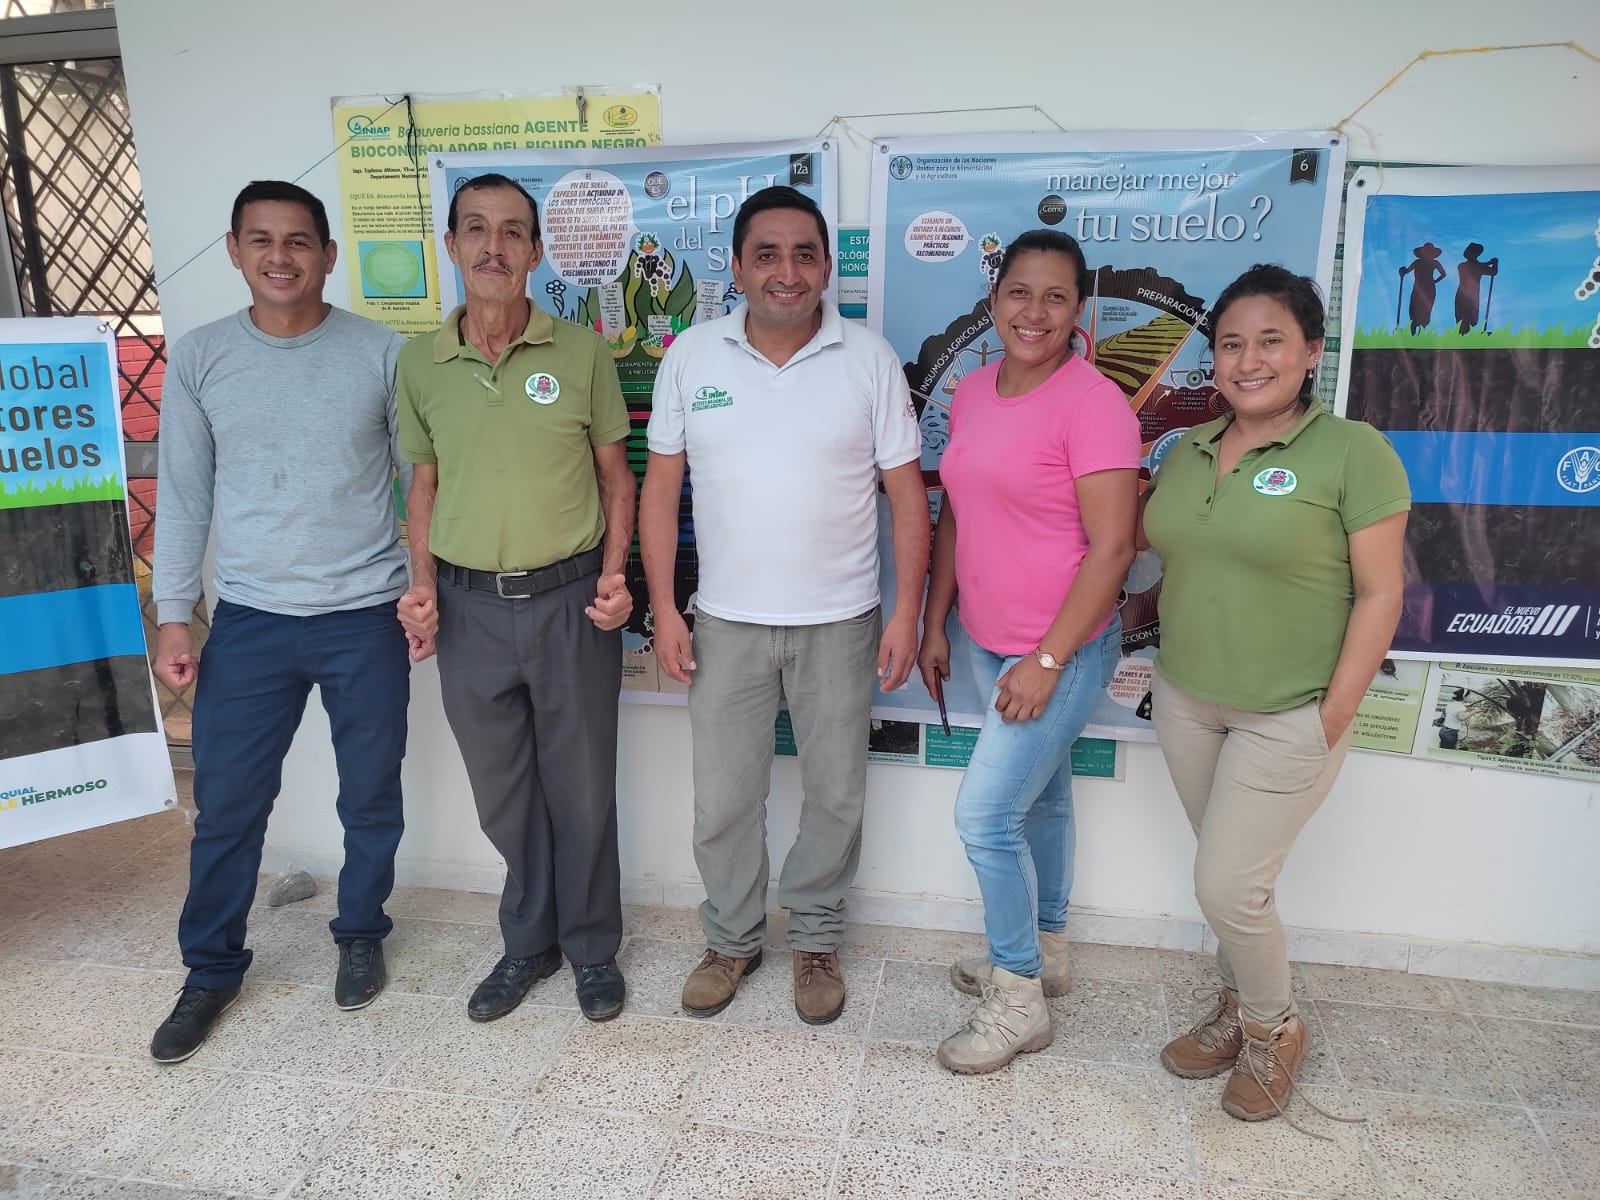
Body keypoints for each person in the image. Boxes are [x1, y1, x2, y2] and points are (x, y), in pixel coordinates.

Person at [639, 186, 927, 1026]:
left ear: (827, 267)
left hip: (840, 621)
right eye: (766, 254)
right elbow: (660, 491)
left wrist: (906, 612)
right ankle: (731, 940)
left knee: (835, 794)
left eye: (804, 254)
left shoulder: (869, 359)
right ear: (736, 267)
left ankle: (815, 938)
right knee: (724, 799)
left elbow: (908, 498)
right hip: (724, 622)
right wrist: (666, 608)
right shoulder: (692, 356)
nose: (786, 272)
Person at [148, 180, 411, 1062]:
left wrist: (422, 589)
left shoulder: (381, 353)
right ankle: (211, 969)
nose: (280, 257)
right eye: (261, 239)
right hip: (252, 619)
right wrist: (175, 615)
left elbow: (420, 485)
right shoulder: (201, 357)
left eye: (299, 241)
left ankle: (361, 930)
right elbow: (184, 495)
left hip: (364, 614)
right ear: (234, 250)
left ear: (328, 255)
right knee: (227, 802)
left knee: (369, 793)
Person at [1142, 264, 1410, 1122]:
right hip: (1187, 700)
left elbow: (1381, 592)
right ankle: (1237, 1005)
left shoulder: (1353, 450)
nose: (1248, 360)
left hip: (1288, 713)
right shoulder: (1188, 449)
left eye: (1270, 341)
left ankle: (1273, 1029)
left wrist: (1333, 714)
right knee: (1231, 880)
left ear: (1311, 352)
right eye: (1231, 344)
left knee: (1227, 888)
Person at [394, 173, 635, 1024]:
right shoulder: (420, 363)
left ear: (536, 252)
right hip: (468, 613)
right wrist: (421, 587)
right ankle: (529, 943)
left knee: (583, 788)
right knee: (502, 792)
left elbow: (617, 478)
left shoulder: (582, 354)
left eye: (510, 233)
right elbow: (422, 488)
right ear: (451, 245)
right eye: (475, 229)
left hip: (571, 603)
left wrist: (616, 576)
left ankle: (592, 948)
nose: (492, 247)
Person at [916, 230, 1140, 1074]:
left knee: (985, 817)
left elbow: (1114, 549)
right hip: (986, 638)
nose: (1034, 312)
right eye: (1019, 292)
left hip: (1062, 649)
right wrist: (936, 619)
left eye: (1055, 297)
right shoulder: (974, 392)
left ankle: (1018, 998)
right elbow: (957, 512)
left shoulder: (1094, 404)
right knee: (1040, 801)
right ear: (994, 300)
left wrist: (1046, 661)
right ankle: (1047, 952)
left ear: (1079, 310)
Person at [1398, 243, 1445, 335]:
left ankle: (1420, 334)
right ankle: (1413, 333)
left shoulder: (1432, 263)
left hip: (1427, 289)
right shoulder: (1418, 262)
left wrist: (1435, 281)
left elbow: (1443, 274)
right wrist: (1403, 271)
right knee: (1414, 310)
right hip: (1419, 290)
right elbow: (1407, 271)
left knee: (1424, 311)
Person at [1454, 243, 1499, 335]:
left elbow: (1491, 271)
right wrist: (1493, 263)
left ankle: (1464, 335)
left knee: (1467, 318)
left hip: (1465, 295)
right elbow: (1492, 271)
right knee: (1466, 317)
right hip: (1469, 296)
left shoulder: (1463, 265)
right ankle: (1462, 335)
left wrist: (1491, 263)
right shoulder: (1467, 266)